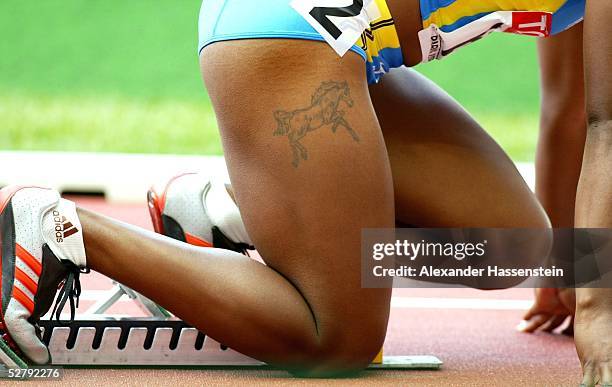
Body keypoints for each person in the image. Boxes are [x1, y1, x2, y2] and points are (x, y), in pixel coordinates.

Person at [0, 0, 609, 383]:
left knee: (522, 248)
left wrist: (569, 278)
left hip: (357, 51)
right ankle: (58, 229)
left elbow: (571, 108)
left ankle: (228, 213)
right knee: (336, 340)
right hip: (290, 28)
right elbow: (605, 126)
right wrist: (600, 312)